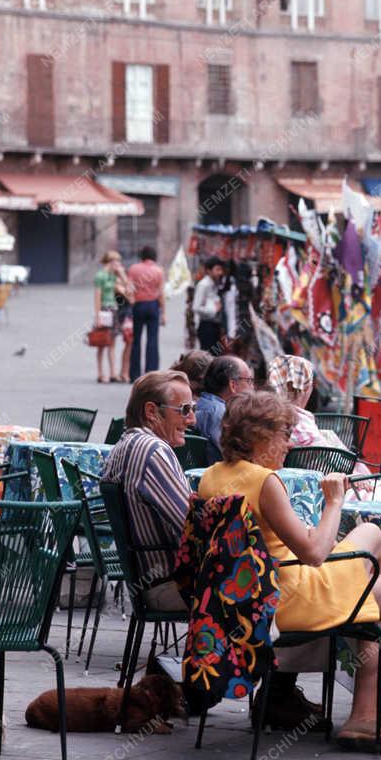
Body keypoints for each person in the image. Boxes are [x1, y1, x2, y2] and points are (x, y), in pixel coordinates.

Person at [199, 391, 381, 753]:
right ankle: (366, 710)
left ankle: (364, 661)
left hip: (245, 596)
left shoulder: (212, 476)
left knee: (373, 536)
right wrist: (334, 501)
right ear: (258, 437)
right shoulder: (265, 481)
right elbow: (314, 553)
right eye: (284, 434)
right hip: (286, 597)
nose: (288, 443)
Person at [266, 354, 381, 497]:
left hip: (329, 487)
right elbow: (335, 464)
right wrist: (355, 477)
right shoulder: (298, 423)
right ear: (305, 388)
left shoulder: (272, 417)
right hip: (341, 491)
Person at [101, 370, 195, 611]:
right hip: (170, 586)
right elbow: (193, 529)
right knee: (276, 587)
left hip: (152, 582)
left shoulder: (125, 444)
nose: (192, 419)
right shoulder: (153, 451)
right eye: (184, 410)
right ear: (152, 411)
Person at [194, 354, 254, 463]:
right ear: (233, 385)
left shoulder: (202, 404)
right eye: (249, 381)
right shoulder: (221, 414)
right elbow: (235, 458)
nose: (252, 387)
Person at [127, 246, 165, 380]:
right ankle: (151, 373)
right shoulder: (159, 270)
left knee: (136, 340)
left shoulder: (133, 268)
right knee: (152, 340)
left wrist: (132, 301)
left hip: (139, 305)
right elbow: (161, 293)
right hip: (153, 305)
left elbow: (129, 289)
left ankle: (134, 374)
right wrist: (164, 313)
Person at [93, 251, 120, 383]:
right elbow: (97, 298)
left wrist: (122, 274)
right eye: (117, 262)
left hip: (113, 309)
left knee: (112, 342)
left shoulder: (113, 276)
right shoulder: (100, 276)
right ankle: (100, 373)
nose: (119, 264)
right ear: (110, 262)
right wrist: (97, 316)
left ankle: (113, 373)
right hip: (104, 309)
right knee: (101, 342)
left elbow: (126, 287)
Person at [193, 257, 228, 353]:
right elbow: (196, 307)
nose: (220, 273)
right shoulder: (203, 285)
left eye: (221, 270)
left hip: (215, 326)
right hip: (206, 326)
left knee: (214, 357)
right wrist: (213, 309)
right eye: (217, 269)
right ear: (209, 271)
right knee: (208, 357)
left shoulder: (215, 284)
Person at [112, 254, 134, 383]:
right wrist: (122, 275)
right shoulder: (116, 283)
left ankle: (125, 371)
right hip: (125, 315)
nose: (121, 266)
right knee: (129, 342)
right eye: (118, 265)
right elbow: (130, 296)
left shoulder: (124, 282)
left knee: (129, 344)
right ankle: (124, 372)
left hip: (129, 314)